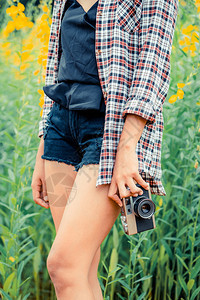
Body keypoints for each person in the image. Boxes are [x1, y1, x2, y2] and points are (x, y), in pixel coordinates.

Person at [31, 0, 179, 298]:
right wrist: (42, 147)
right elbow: (55, 69)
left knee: (64, 266)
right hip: (60, 132)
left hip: (109, 134)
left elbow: (154, 68)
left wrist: (127, 151)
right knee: (81, 267)